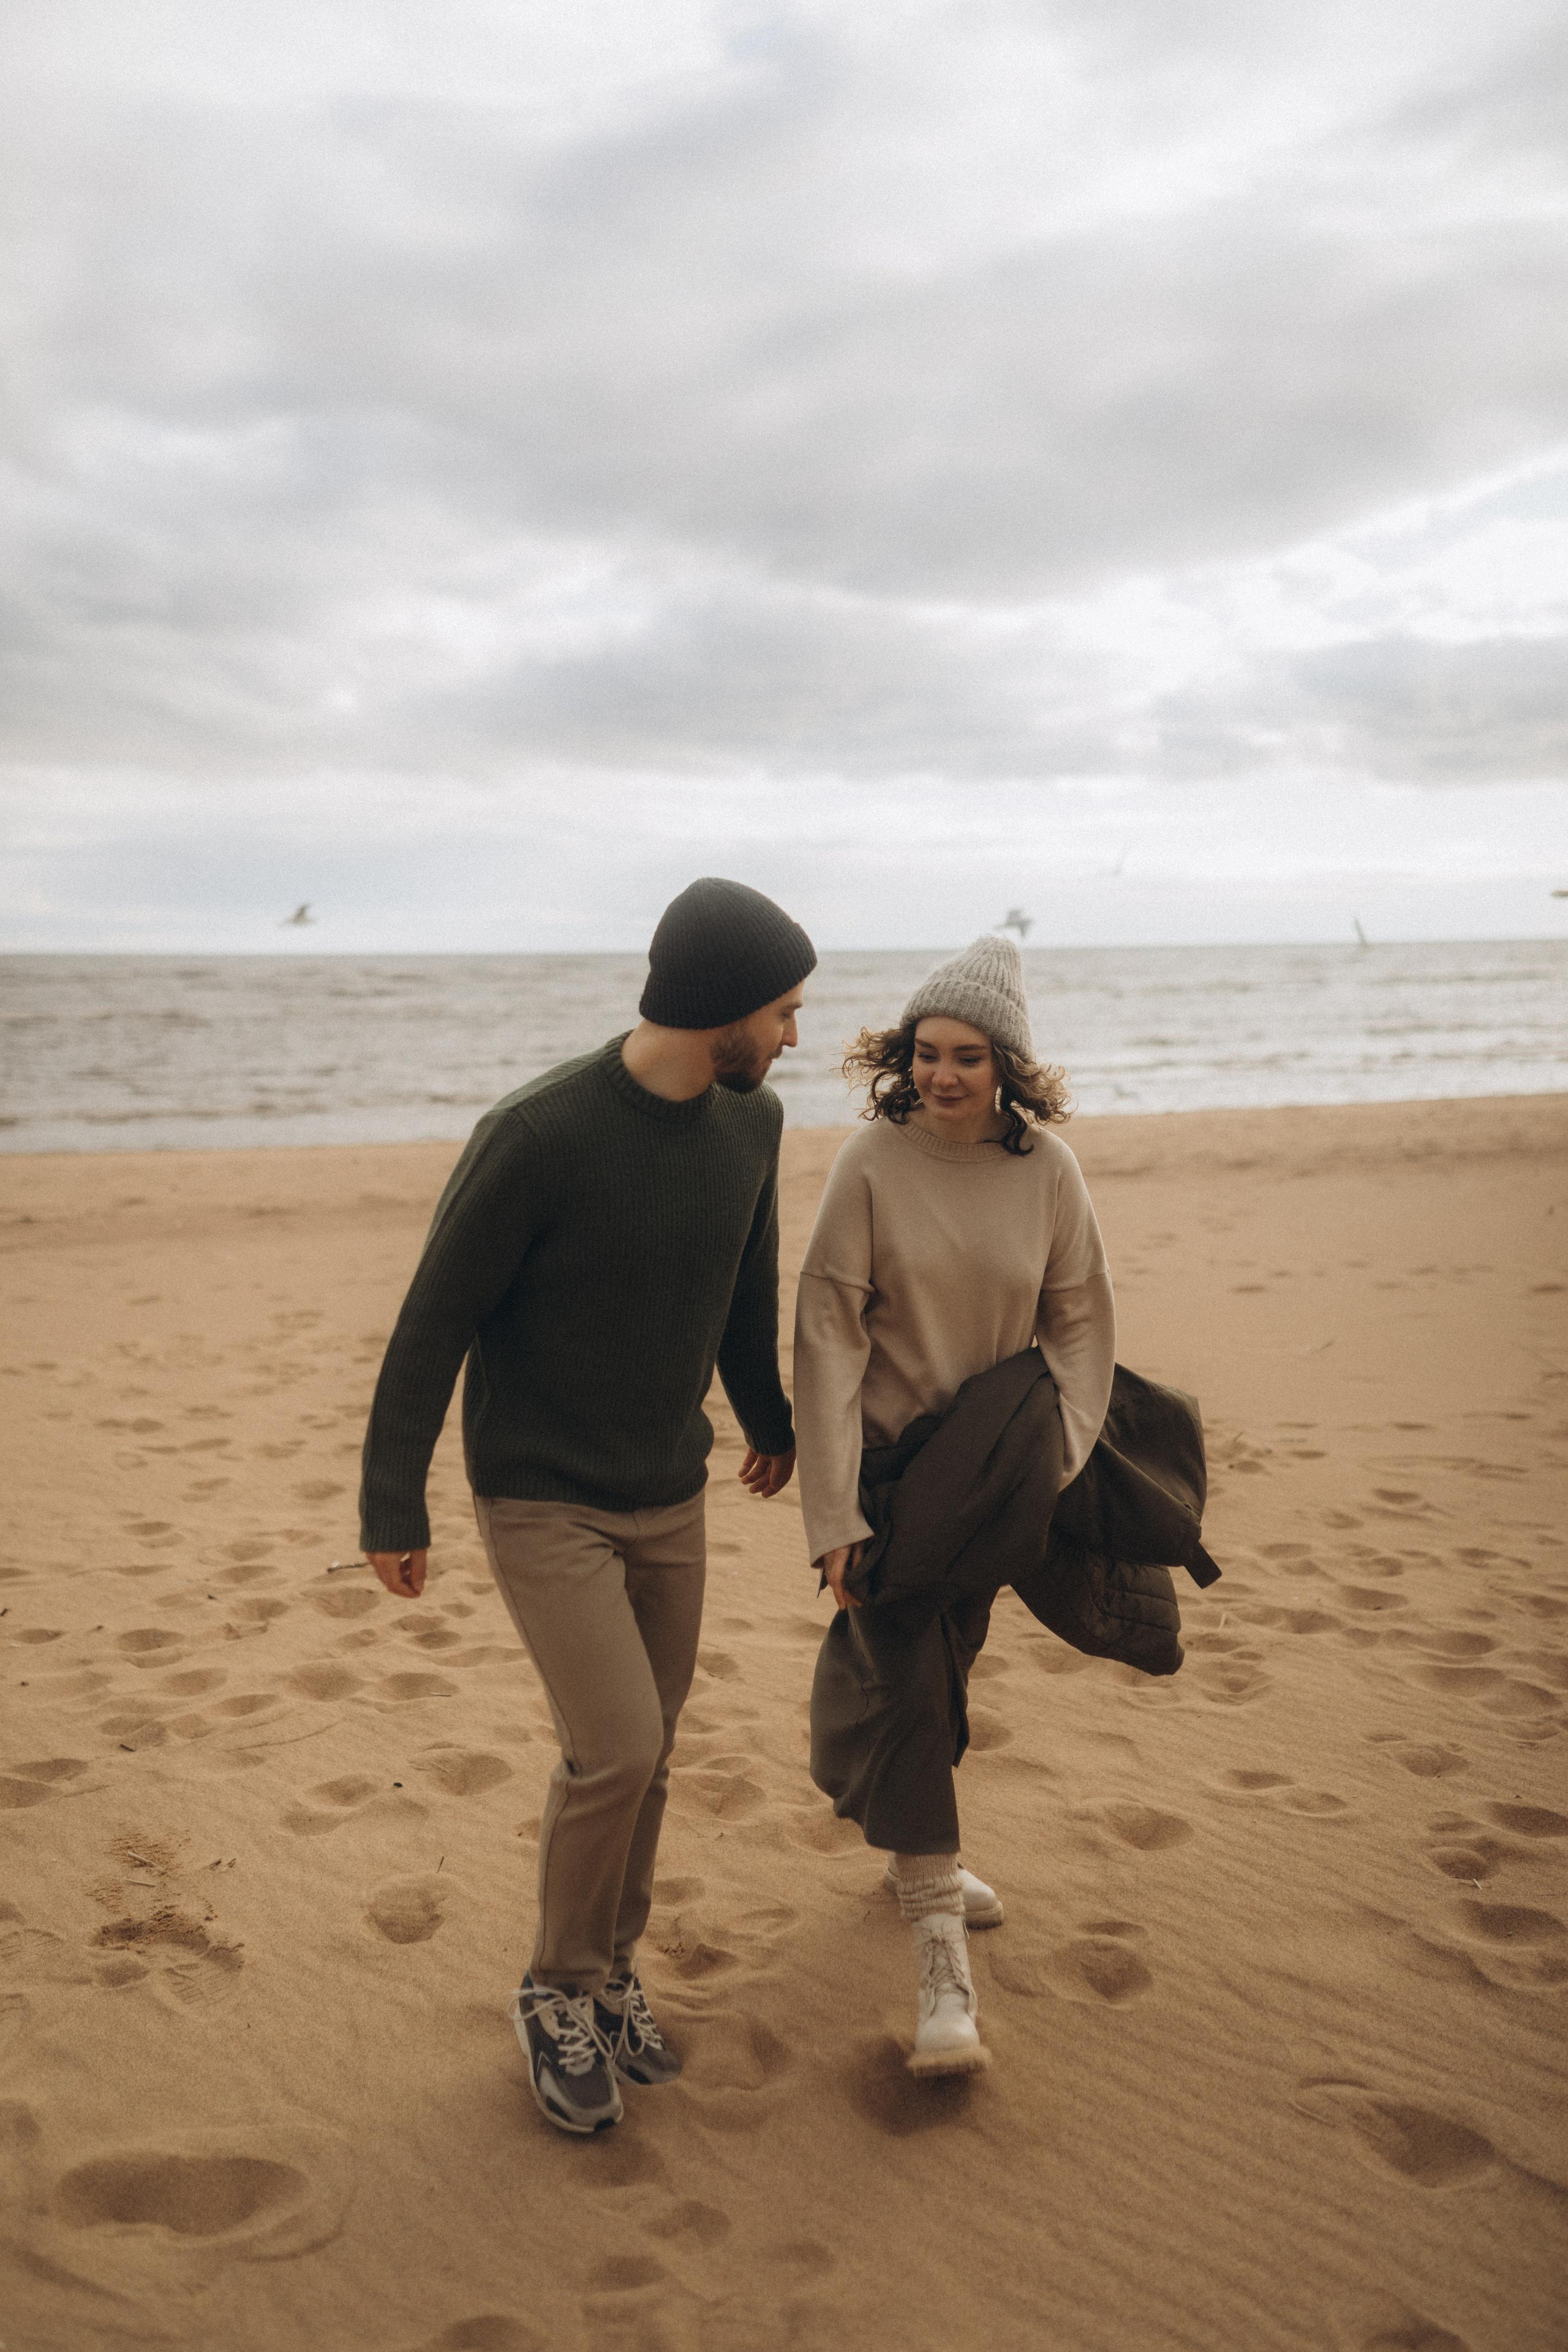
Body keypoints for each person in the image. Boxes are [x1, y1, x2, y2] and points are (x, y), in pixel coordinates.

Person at [359, 878, 816, 2136]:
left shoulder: (752, 1126)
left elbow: (741, 1290)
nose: (794, 1036)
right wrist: (391, 1499)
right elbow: (432, 1324)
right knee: (613, 1744)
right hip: (540, 1491)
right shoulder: (539, 1134)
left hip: (667, 1486)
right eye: (783, 1010)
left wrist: (768, 1425)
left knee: (651, 1753)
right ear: (721, 1009)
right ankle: (553, 1991)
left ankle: (613, 1970)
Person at [791, 934, 1117, 2076]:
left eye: (967, 1056)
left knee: (947, 1669)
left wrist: (1061, 1455)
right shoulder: (871, 1163)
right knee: (912, 1684)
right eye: (926, 1053)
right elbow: (826, 1335)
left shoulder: (1050, 1172)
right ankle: (941, 1969)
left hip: (996, 1474)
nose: (941, 1075)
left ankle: (907, 1857)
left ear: (1008, 1065)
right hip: (887, 1478)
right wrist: (832, 1512)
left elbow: (1078, 1317)